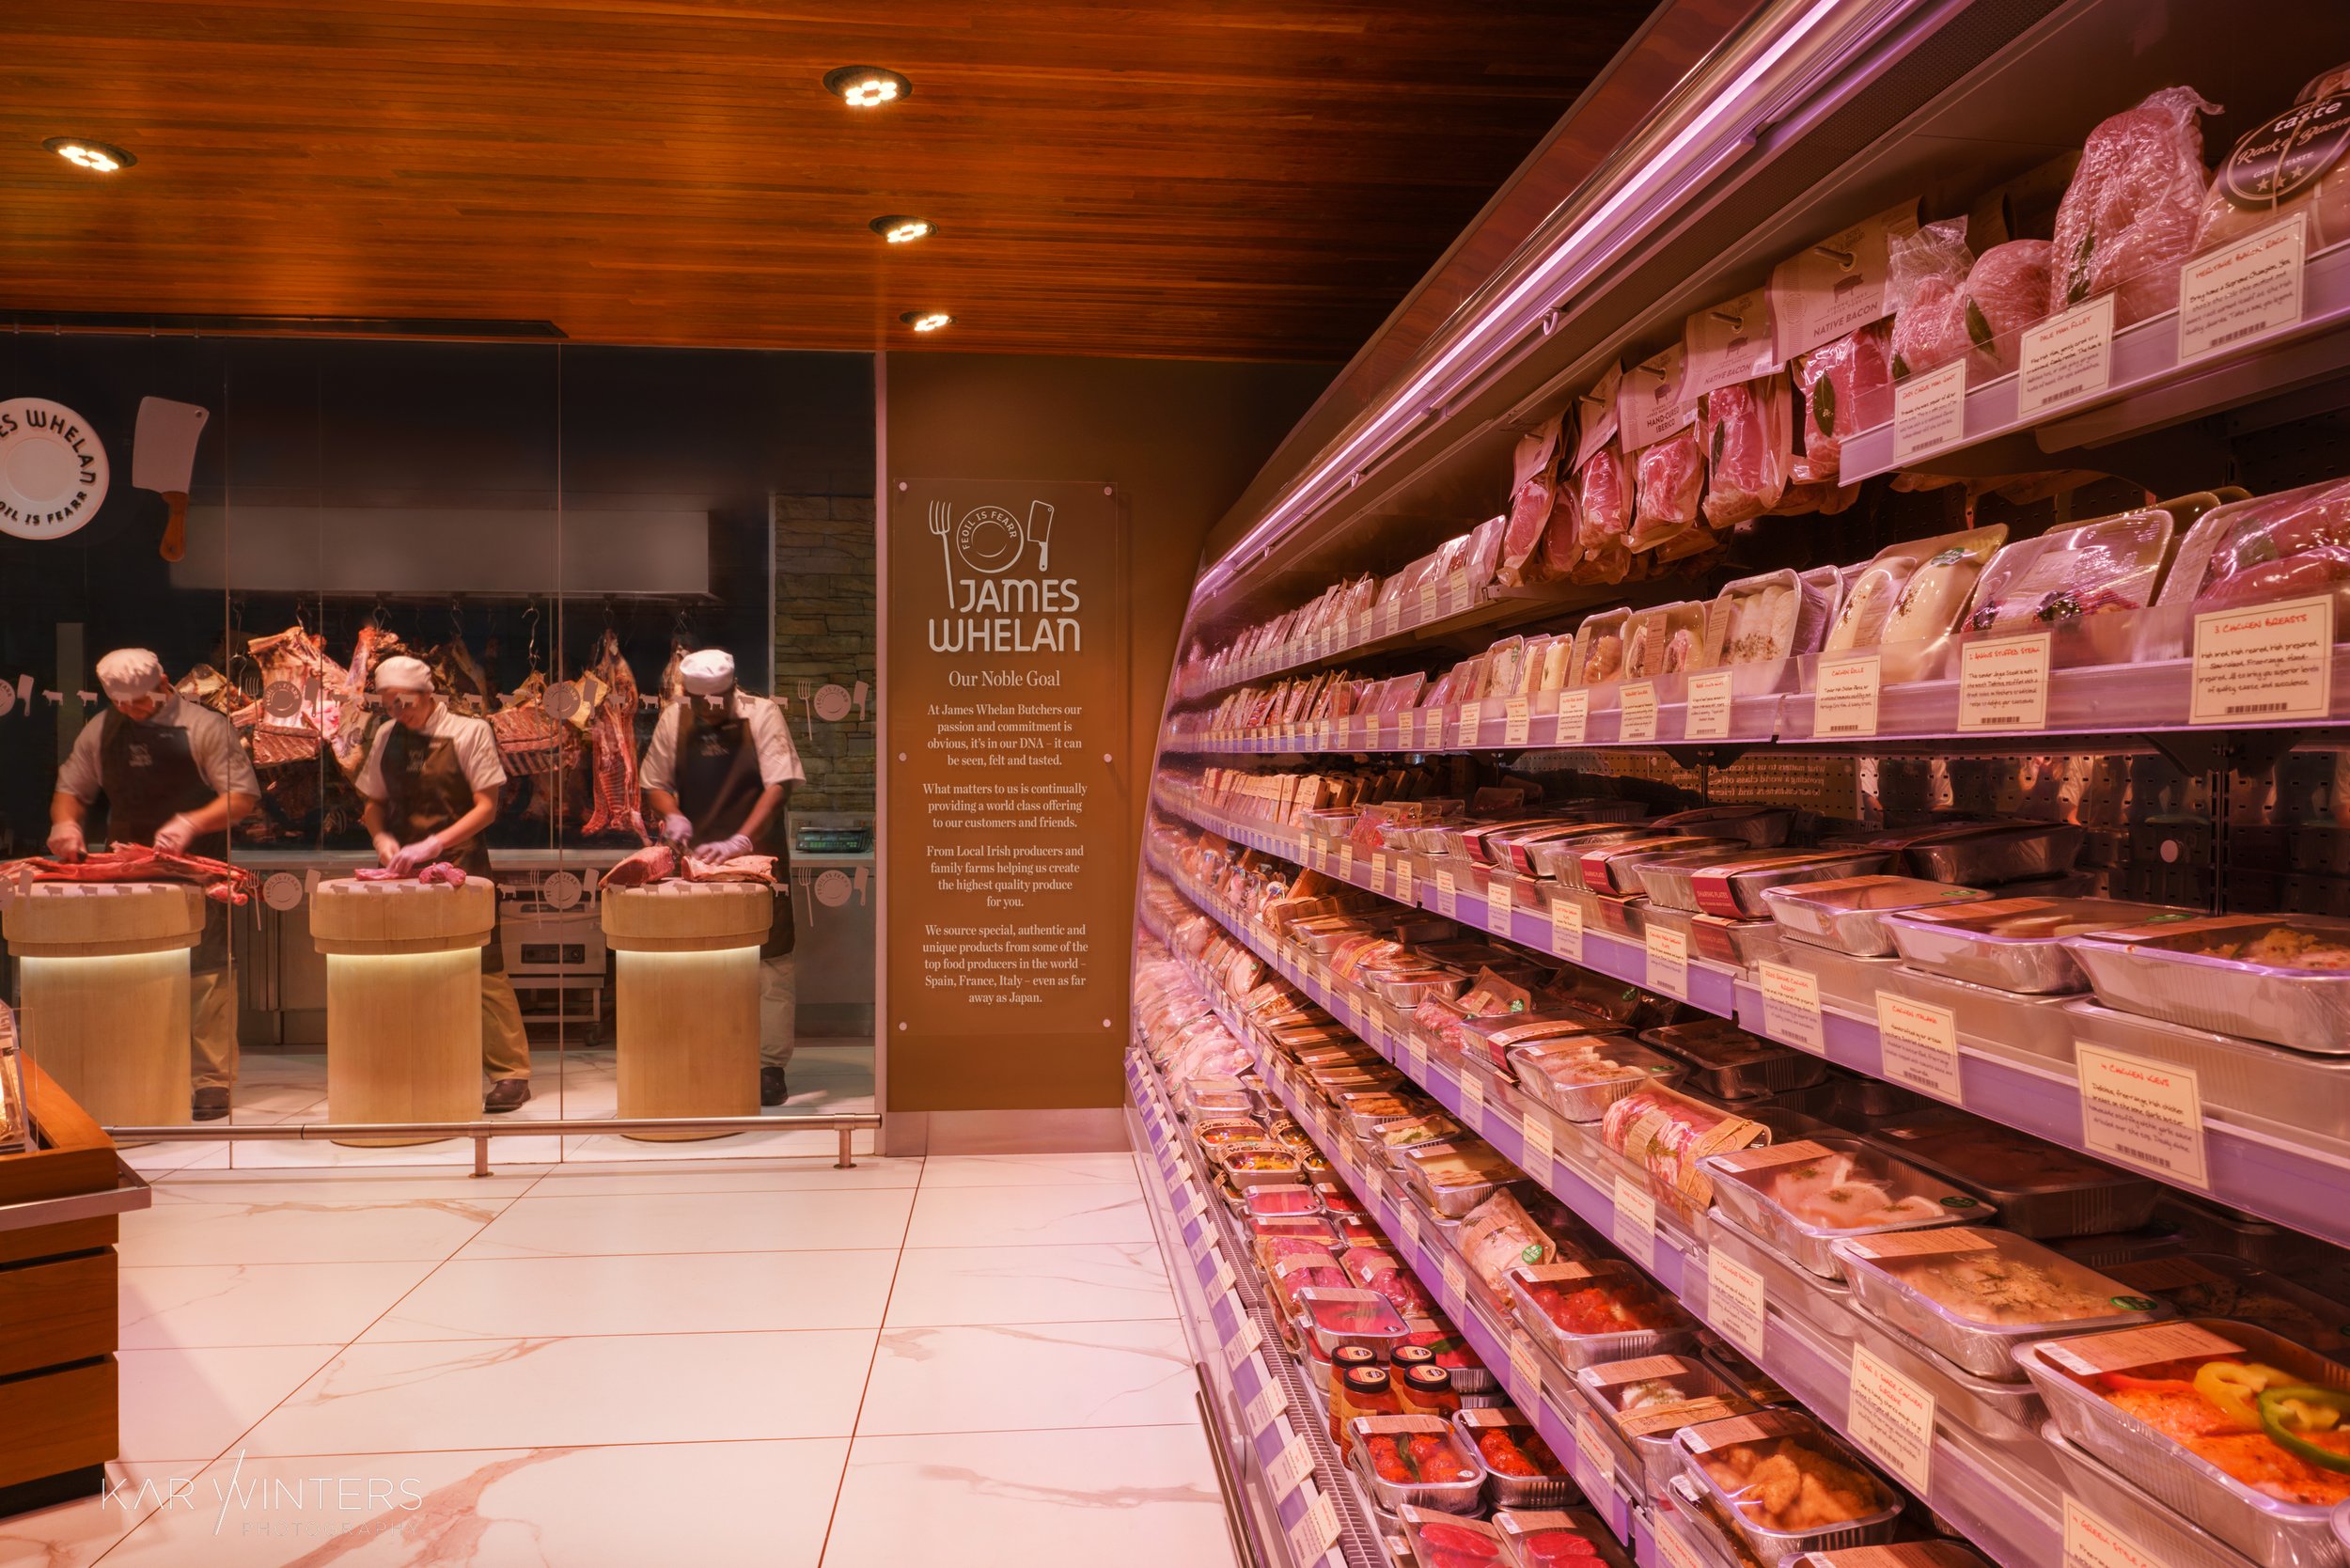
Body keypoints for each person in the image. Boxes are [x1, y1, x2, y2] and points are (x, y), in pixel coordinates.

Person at [48, 649, 259, 1121]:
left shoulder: (206, 727)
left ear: (164, 681)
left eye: (138, 701)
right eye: (120, 703)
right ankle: (133, 1066)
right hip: (126, 870)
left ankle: (210, 1082)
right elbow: (71, 789)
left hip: (195, 869)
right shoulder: (101, 729)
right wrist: (66, 826)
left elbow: (241, 797)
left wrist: (190, 822)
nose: (129, 711)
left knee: (206, 974)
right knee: (129, 973)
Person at [354, 655, 532, 1111]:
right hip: (402, 873)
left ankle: (511, 1073)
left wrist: (434, 844)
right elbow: (373, 801)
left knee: (485, 970)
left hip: (460, 864)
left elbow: (486, 806)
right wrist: (382, 837)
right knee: (407, 969)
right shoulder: (387, 735)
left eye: (406, 704)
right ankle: (420, 1062)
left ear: (429, 694)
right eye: (390, 705)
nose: (400, 713)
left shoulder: (469, 732)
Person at [641, 649, 803, 1105]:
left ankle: (769, 1065)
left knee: (770, 963)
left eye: (718, 702)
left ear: (733, 690)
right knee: (699, 958)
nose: (709, 711)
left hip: (759, 855)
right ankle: (702, 1051)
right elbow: (655, 782)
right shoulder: (674, 719)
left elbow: (778, 785)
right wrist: (673, 818)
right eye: (700, 703)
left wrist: (742, 842)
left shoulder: (763, 714)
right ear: (688, 695)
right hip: (695, 859)